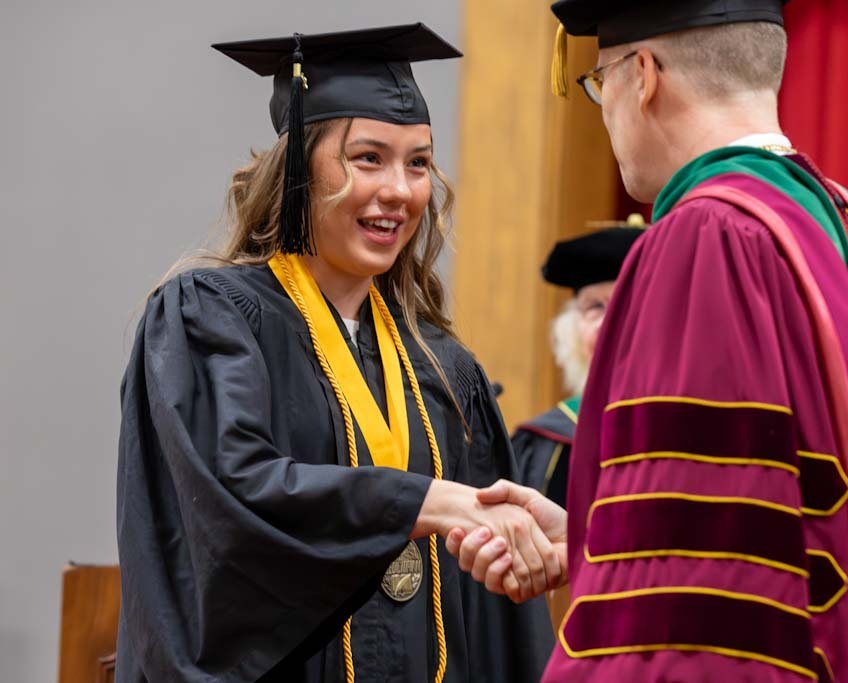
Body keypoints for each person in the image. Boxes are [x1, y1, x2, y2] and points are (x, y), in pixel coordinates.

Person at [448, 2, 848, 681]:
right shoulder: (846, 227)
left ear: (642, 76)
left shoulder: (709, 239)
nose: (602, 108)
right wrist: (593, 537)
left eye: (598, 82)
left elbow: (698, 604)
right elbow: (772, 513)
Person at [115, 24, 557, 683]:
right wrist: (428, 501)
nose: (401, 191)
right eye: (368, 158)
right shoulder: (212, 318)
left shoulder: (442, 366)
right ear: (299, 170)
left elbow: (490, 618)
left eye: (417, 162)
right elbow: (233, 497)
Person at [513, 217, 646, 507]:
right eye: (595, 307)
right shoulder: (542, 442)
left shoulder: (690, 429)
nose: (609, 324)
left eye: (630, 304)